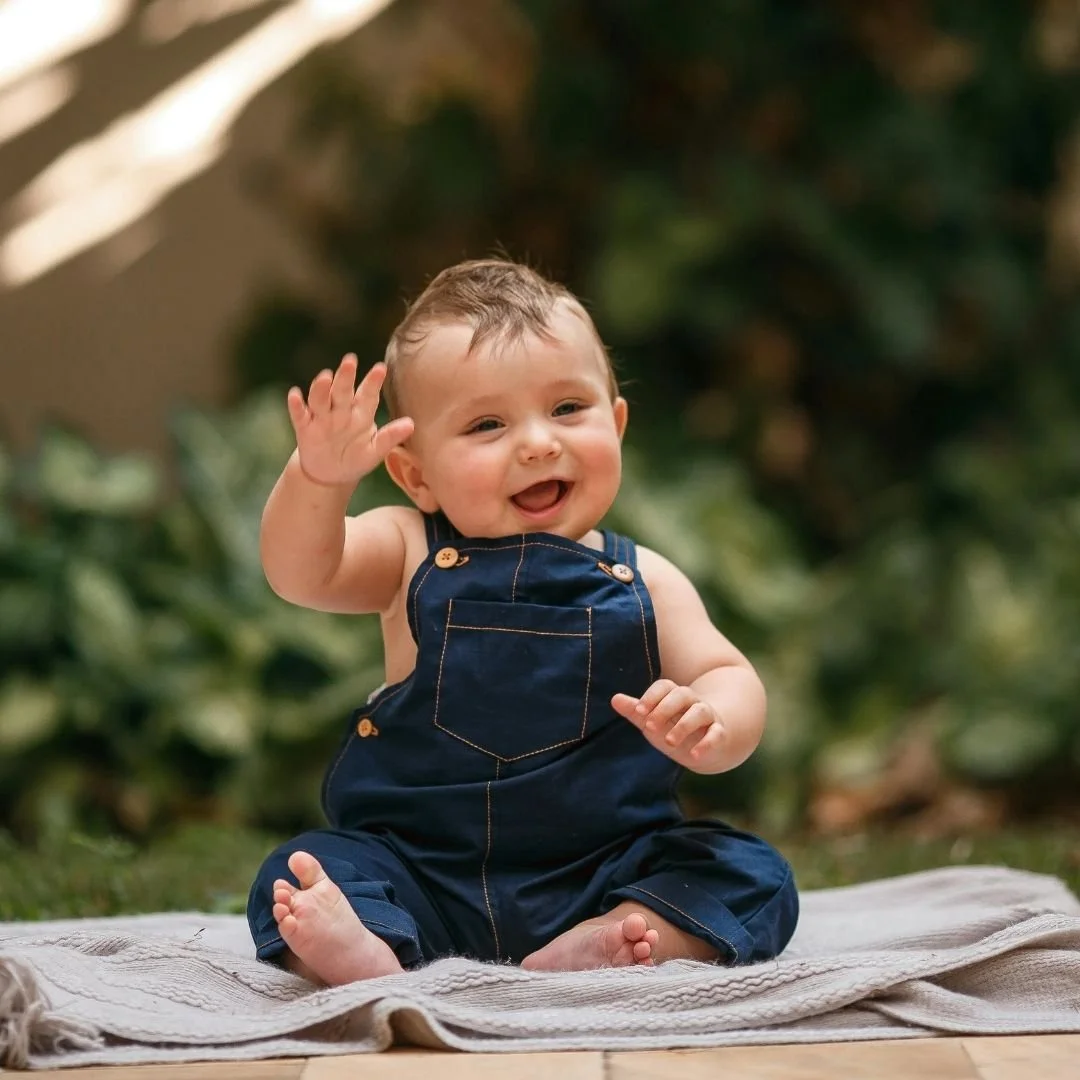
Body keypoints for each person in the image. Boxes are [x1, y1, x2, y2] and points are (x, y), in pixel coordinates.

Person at [247, 258, 798, 985]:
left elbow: (727, 674)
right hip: (419, 868)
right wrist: (319, 479)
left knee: (755, 874)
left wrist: (713, 722)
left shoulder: (645, 580)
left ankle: (618, 938)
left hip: (604, 868)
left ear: (617, 422)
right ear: (416, 475)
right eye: (487, 424)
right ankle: (372, 951)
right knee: (299, 874)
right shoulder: (407, 547)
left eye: (569, 409)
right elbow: (300, 571)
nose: (538, 442)